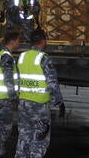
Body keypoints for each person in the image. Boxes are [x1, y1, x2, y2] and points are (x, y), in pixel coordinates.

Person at [15, 29, 64, 158]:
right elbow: (52, 82)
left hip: (23, 103)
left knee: (24, 135)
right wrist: (58, 101)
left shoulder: (22, 57)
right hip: (39, 105)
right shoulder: (44, 58)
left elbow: (17, 79)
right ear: (43, 41)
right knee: (40, 137)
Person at [0, 31, 21, 158]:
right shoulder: (6, 56)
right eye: (19, 40)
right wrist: (13, 97)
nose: (19, 43)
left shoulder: (3, 54)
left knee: (3, 125)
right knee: (5, 127)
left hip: (1, 97)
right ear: (12, 41)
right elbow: (8, 78)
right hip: (5, 97)